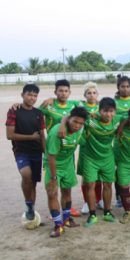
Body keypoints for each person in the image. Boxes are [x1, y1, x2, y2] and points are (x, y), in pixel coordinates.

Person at [38, 79, 81, 217]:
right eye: (60, 91)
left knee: (66, 185)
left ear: (70, 92)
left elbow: (89, 106)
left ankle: (67, 212)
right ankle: (55, 214)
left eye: (66, 91)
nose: (63, 93)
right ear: (55, 92)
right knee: (53, 186)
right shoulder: (48, 105)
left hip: (68, 148)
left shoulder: (74, 105)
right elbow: (33, 112)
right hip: (53, 147)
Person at [79, 97, 125, 227]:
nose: (108, 114)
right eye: (105, 111)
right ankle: (92, 214)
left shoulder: (117, 119)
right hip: (90, 158)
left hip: (107, 158)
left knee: (108, 185)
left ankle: (107, 212)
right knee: (90, 185)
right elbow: (73, 115)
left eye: (111, 111)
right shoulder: (90, 120)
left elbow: (129, 116)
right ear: (99, 111)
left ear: (115, 111)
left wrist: (121, 127)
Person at [6, 84, 46, 230]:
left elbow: (42, 135)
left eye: (35, 96)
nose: (32, 98)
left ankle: (31, 211)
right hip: (21, 151)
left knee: (33, 183)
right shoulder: (14, 111)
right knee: (26, 174)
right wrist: (30, 137)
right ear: (22, 95)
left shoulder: (39, 113)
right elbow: (9, 135)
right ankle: (28, 204)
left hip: (36, 152)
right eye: (30, 95)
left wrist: (46, 152)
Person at [44, 107, 88, 237]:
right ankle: (58, 225)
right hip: (53, 166)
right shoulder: (57, 132)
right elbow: (51, 156)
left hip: (68, 165)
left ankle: (67, 219)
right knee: (52, 194)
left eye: (81, 123)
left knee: (67, 192)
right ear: (69, 119)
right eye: (75, 122)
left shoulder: (80, 131)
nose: (77, 126)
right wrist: (53, 178)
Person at [113, 75, 130, 208]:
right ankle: (119, 196)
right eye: (122, 86)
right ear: (118, 87)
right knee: (119, 170)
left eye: (128, 86)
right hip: (119, 141)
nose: (125, 89)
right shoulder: (113, 102)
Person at [78, 82, 104, 214]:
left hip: (99, 145)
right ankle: (87, 202)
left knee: (99, 174)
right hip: (86, 146)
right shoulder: (80, 106)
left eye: (94, 93)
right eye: (89, 93)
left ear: (97, 94)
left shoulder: (102, 107)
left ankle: (98, 199)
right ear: (84, 95)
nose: (92, 95)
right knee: (86, 176)